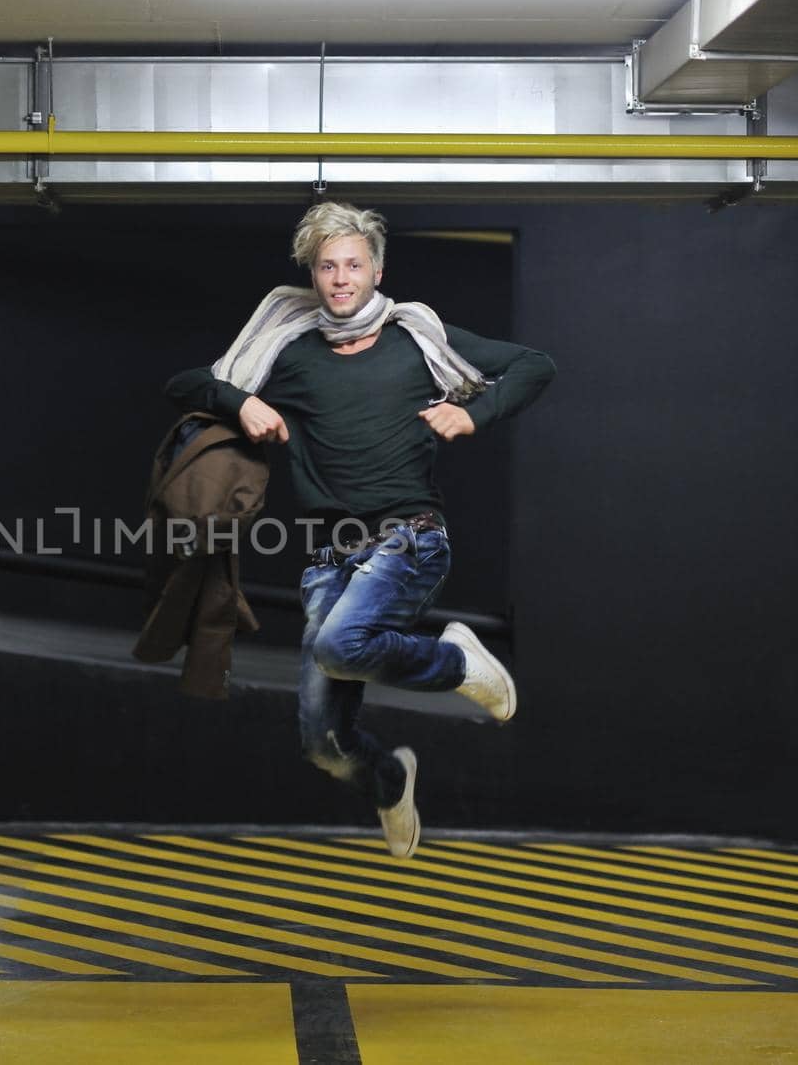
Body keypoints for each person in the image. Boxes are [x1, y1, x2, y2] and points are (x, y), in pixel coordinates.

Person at [163, 202, 555, 858]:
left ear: (376, 269)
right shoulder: (291, 352)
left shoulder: (418, 342)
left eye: (353, 264)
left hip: (410, 537)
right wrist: (245, 400)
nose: (340, 277)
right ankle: (390, 778)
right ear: (314, 276)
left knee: (341, 644)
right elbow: (186, 383)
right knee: (322, 742)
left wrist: (474, 416)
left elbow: (533, 365)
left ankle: (458, 661)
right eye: (327, 266)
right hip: (330, 560)